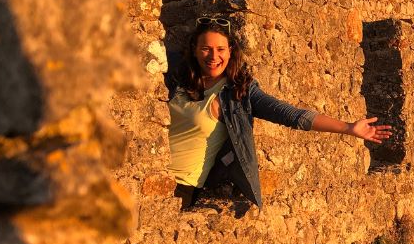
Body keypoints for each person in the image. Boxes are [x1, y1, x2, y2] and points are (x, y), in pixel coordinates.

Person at [166, 15, 391, 210]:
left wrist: (348, 128)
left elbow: (291, 115)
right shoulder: (175, 79)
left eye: (220, 49)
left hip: (180, 187)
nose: (213, 56)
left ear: (231, 51)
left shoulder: (239, 94)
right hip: (146, 172)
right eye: (206, 48)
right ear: (194, 50)